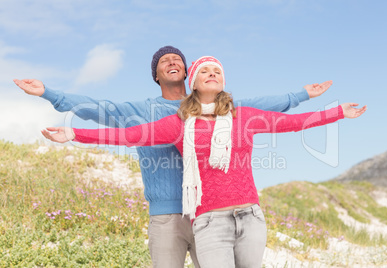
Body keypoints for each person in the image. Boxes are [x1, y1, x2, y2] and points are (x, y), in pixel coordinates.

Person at [14, 46, 333, 268]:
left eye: (178, 58)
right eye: (164, 59)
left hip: (211, 214)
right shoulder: (139, 112)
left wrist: (301, 95)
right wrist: (48, 93)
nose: (172, 61)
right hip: (166, 217)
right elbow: (96, 108)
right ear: (156, 73)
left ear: (188, 73)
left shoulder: (218, 109)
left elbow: (262, 106)